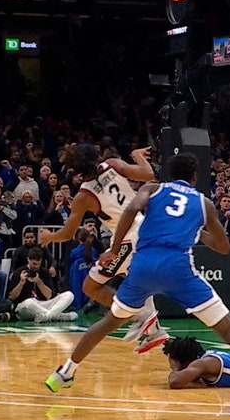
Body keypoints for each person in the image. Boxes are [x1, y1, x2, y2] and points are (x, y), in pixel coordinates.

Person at [45, 153, 230, 417]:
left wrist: (114, 248)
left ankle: (65, 371)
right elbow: (222, 248)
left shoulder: (152, 189)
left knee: (106, 323)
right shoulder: (203, 203)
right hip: (178, 269)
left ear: (170, 174)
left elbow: (131, 209)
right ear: (194, 177)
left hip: (143, 265)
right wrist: (199, 231)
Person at [38, 143, 168, 349]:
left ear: (75, 171)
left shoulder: (83, 196)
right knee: (132, 275)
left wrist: (49, 236)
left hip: (128, 237)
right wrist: (137, 155)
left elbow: (68, 233)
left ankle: (137, 314)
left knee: (90, 286)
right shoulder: (113, 164)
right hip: (146, 227)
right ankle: (153, 330)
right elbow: (148, 174)